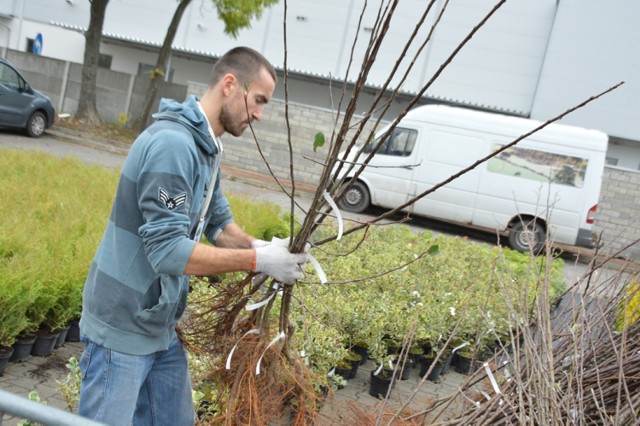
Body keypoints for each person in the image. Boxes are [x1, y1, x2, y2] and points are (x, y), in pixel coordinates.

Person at [77, 46, 308, 425]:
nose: (260, 115)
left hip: (158, 326)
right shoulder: (173, 146)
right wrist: (258, 261)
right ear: (231, 84)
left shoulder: (206, 148)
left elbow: (218, 224)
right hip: (121, 328)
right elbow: (167, 252)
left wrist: (263, 247)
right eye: (259, 101)